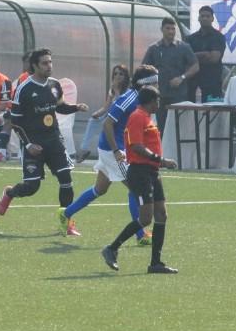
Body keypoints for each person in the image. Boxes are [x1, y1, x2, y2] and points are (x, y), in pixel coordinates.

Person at [60, 65, 159, 240]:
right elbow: (107, 123)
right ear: (144, 84)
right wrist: (115, 151)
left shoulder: (140, 100)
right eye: (155, 83)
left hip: (115, 148)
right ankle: (140, 234)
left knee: (100, 189)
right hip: (113, 150)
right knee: (136, 188)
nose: (157, 87)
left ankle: (66, 213)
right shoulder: (129, 99)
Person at [0, 48, 88, 220]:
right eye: (45, 63)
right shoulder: (24, 89)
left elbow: (59, 106)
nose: (49, 66)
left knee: (66, 179)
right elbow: (15, 121)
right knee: (32, 187)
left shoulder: (54, 85)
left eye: (50, 62)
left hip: (54, 140)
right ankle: (9, 193)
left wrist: (76, 107)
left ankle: (65, 221)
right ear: (35, 66)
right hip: (34, 144)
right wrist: (28, 144)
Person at [100, 86, 179, 274]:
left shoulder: (146, 118)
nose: (158, 104)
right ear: (150, 101)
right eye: (157, 101)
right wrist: (162, 160)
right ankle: (112, 248)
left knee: (162, 215)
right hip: (140, 173)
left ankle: (156, 263)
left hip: (152, 173)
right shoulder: (137, 117)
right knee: (145, 218)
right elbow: (136, 147)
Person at [141, 17, 198, 132]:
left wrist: (182, 78)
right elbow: (143, 69)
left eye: (173, 29)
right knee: (161, 127)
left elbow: (195, 66)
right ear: (161, 29)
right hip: (159, 96)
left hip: (179, 95)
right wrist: (151, 83)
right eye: (168, 28)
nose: (171, 31)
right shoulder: (154, 48)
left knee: (179, 128)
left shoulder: (183, 47)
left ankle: (178, 150)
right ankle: (162, 149)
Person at [75, 64, 126, 163]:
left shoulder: (127, 91)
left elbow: (122, 104)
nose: (118, 76)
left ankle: (113, 151)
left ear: (125, 76)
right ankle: (84, 150)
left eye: (121, 74)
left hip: (122, 118)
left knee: (106, 123)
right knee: (93, 120)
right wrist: (96, 114)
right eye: (115, 74)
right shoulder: (112, 90)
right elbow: (106, 107)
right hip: (110, 116)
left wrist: (116, 90)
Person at [185, 5, 227, 102]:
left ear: (212, 18)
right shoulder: (191, 38)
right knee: (187, 107)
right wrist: (205, 54)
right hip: (192, 78)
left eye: (208, 16)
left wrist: (194, 57)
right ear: (199, 18)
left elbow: (214, 58)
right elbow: (186, 58)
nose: (205, 18)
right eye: (202, 16)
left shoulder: (218, 37)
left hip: (212, 79)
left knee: (212, 111)